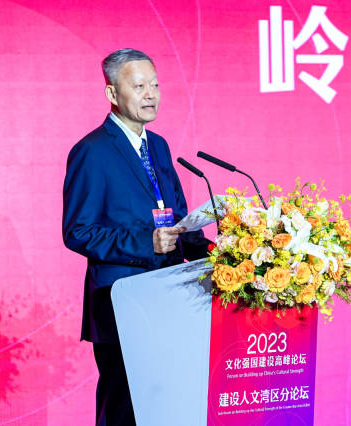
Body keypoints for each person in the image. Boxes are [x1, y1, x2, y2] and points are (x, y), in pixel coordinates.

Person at [63, 48, 210, 425]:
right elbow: (77, 231)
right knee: (124, 410)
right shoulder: (92, 151)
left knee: (166, 407)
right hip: (121, 303)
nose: (151, 95)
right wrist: (147, 242)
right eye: (139, 86)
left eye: (155, 85)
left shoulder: (158, 146)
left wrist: (220, 251)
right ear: (112, 93)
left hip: (169, 298)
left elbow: (177, 220)